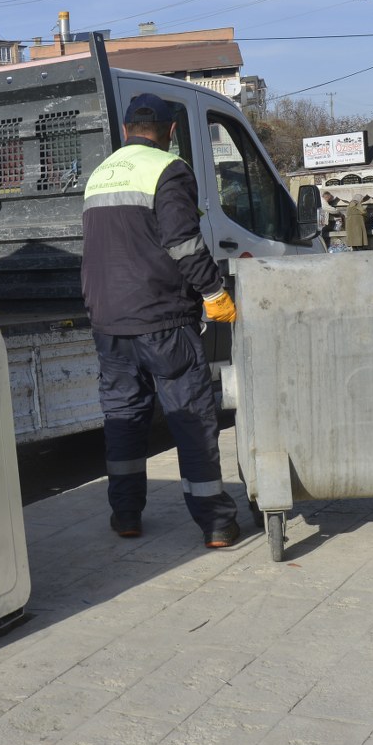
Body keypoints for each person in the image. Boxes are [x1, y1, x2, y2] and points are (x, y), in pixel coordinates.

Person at [81, 92, 243, 548]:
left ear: (126, 130)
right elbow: (182, 242)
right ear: (171, 132)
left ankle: (126, 515)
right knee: (190, 417)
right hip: (163, 319)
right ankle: (216, 523)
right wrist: (213, 292)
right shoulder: (169, 169)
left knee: (123, 418)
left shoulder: (100, 174)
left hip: (109, 321)